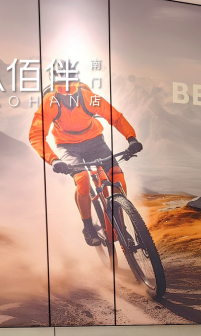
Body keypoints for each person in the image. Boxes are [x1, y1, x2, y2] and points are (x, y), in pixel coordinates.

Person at [28, 61, 143, 246]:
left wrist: (131, 138)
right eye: (62, 82)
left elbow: (115, 117)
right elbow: (36, 135)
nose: (67, 88)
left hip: (94, 140)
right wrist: (54, 160)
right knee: (82, 180)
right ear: (55, 83)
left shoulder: (89, 97)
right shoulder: (49, 103)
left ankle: (121, 225)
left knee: (117, 176)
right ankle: (88, 228)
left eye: (71, 81)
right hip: (67, 146)